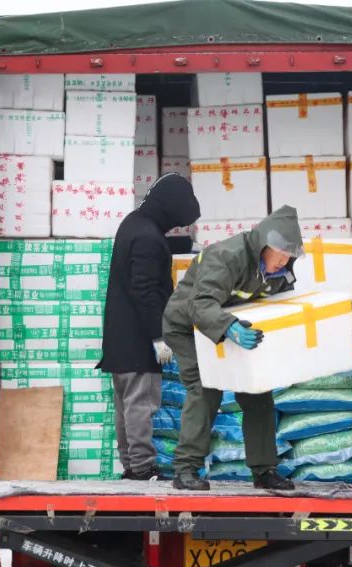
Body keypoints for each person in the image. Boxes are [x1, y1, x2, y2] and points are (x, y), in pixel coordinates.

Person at [162, 205, 304, 491]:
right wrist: (229, 327)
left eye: (289, 255)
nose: (284, 261)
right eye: (281, 253)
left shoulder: (280, 271)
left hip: (235, 330)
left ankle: (264, 470)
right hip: (188, 327)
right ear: (264, 244)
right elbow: (200, 304)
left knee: (257, 391)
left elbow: (281, 307)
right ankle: (186, 470)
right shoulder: (227, 256)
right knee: (206, 388)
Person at [97, 173, 200, 481]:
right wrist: (158, 337)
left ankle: (131, 465)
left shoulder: (133, 224)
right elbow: (145, 291)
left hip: (119, 338)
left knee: (126, 405)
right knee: (141, 404)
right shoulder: (148, 237)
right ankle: (143, 468)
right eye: (177, 222)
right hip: (138, 337)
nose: (175, 228)